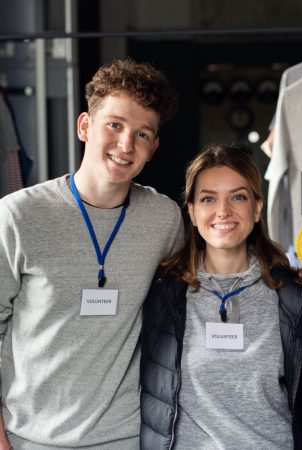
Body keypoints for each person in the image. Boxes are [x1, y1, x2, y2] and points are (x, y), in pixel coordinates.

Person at [0, 59, 181, 449]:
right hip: (28, 438)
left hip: (125, 437)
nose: (126, 144)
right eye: (114, 125)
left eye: (142, 134)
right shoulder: (18, 216)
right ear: (85, 126)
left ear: (154, 149)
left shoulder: (164, 220)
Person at [139, 145, 302, 449]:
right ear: (193, 212)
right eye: (209, 199)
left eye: (238, 197)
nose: (223, 211)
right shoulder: (163, 294)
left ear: (257, 209)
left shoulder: (293, 296)